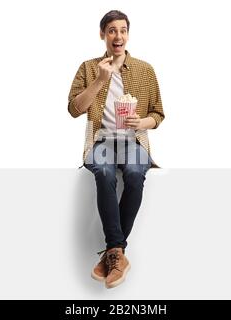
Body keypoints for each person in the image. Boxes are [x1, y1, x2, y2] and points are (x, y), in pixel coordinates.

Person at [67, 10, 165, 289]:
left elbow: (158, 114)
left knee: (135, 172)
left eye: (123, 30)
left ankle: (113, 252)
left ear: (128, 35)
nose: (118, 36)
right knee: (104, 173)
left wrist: (141, 121)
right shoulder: (88, 68)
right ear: (102, 34)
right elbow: (74, 110)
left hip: (133, 141)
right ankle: (118, 253)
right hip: (101, 141)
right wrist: (99, 80)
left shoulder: (145, 70)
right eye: (112, 30)